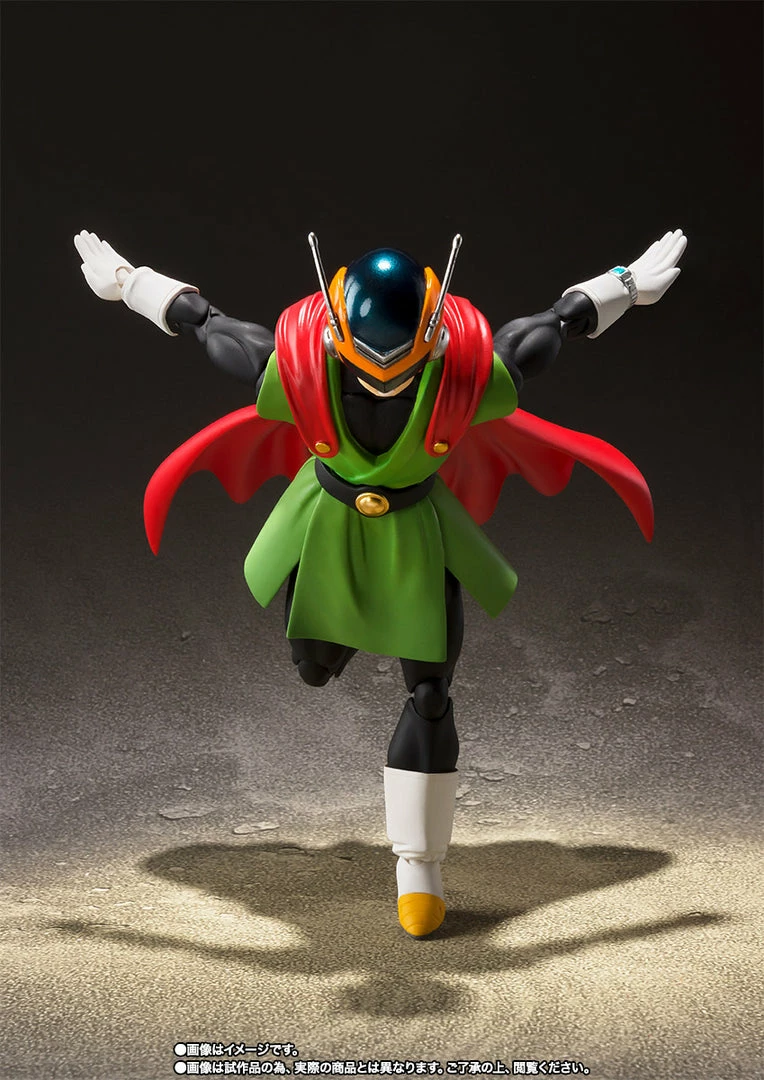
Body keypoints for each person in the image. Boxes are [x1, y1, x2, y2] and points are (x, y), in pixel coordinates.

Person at [74, 227, 686, 937]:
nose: (385, 378)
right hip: (326, 526)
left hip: (419, 534)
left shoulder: (465, 374)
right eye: (366, 362)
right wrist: (133, 282)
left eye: (402, 364)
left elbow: (554, 323)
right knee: (312, 669)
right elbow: (207, 323)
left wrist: (625, 284)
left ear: (432, 337)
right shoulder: (296, 367)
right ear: (336, 336)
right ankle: (338, 637)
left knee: (430, 696)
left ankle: (419, 867)